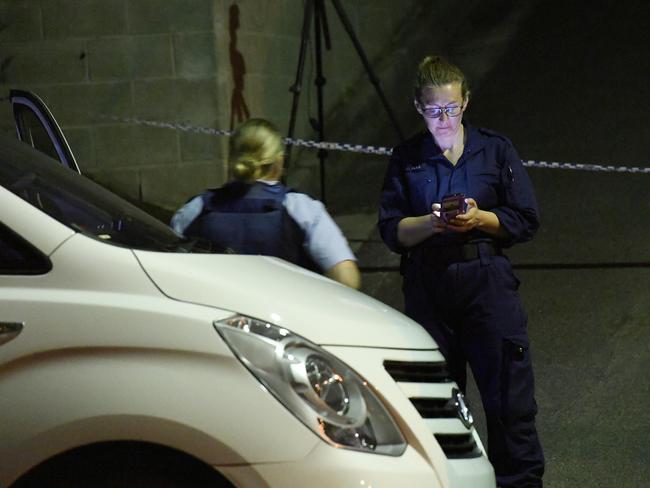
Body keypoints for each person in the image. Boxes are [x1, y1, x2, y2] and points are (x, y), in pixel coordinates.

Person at [378, 55, 544, 487]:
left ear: (466, 101)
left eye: (451, 108)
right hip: (429, 286)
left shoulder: (495, 148)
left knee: (509, 403)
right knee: (438, 409)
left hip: (486, 281)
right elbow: (391, 229)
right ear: (419, 107)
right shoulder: (406, 157)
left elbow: (526, 217)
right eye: (434, 110)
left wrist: (481, 218)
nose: (444, 118)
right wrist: (431, 224)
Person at [172, 118, 361, 289]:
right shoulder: (303, 209)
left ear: (232, 159)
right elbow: (347, 279)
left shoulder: (195, 209)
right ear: (279, 161)